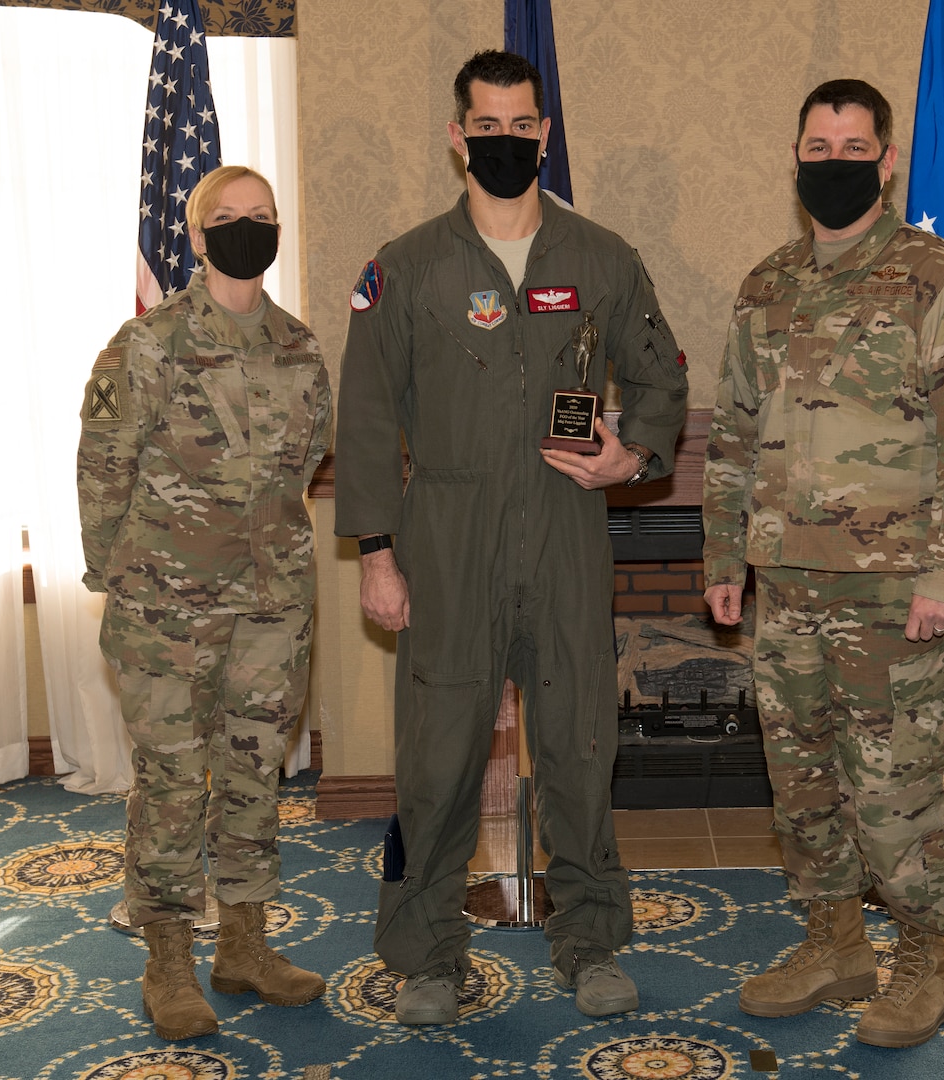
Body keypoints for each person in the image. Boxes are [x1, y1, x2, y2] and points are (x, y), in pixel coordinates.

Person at [333, 50, 688, 1025]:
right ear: (458, 137)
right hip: (445, 535)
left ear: (545, 131)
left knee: (579, 744)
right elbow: (364, 414)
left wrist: (634, 456)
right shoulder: (402, 269)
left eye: (520, 125)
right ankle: (428, 955)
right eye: (483, 126)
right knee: (437, 756)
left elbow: (660, 380)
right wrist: (376, 551)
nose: (503, 141)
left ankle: (591, 942)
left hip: (567, 528)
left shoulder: (602, 259)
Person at [701, 79, 944, 1049]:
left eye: (853, 146)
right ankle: (834, 942)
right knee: (801, 786)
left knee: (894, 793)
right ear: (794, 157)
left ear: (886, 162)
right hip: (787, 589)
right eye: (816, 144)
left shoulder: (942, 281)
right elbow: (734, 434)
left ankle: (932, 962)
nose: (832, 161)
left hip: (896, 595)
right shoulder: (768, 284)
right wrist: (726, 552)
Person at [77, 165, 333, 1040]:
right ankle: (168, 962)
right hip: (165, 611)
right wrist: (122, 580)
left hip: (273, 603)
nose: (247, 229)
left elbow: (304, 470)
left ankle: (245, 945)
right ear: (195, 236)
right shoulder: (148, 344)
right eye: (228, 218)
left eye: (262, 217)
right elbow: (104, 469)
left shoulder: (301, 348)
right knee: (174, 785)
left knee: (257, 773)